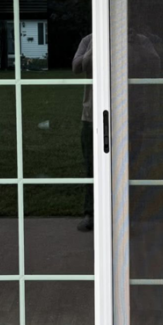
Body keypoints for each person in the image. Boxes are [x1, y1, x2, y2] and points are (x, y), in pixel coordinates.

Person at [71, 34, 95, 232]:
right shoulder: (89, 40)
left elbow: (156, 64)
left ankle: (125, 214)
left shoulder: (140, 40)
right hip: (92, 115)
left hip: (129, 114)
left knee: (129, 165)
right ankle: (91, 213)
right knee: (91, 166)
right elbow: (77, 67)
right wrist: (97, 45)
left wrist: (134, 44)